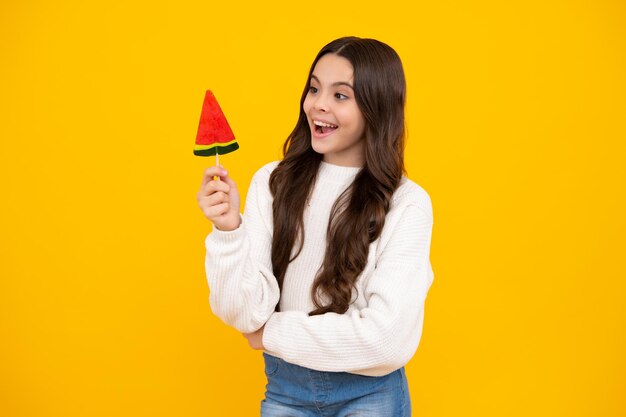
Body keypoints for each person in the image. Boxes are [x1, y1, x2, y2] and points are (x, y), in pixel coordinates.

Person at [196, 36, 434, 416]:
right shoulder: (272, 182)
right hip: (286, 391)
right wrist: (227, 231)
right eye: (314, 88)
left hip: (369, 395)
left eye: (341, 95)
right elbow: (243, 314)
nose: (318, 104)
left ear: (377, 106)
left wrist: (271, 333)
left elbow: (387, 339)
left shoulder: (407, 204)